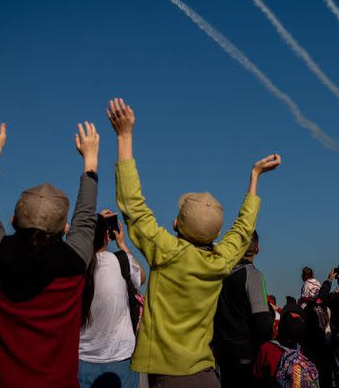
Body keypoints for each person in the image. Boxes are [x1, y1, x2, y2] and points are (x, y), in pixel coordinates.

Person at [108, 98, 281, 388]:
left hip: (168, 376)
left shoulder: (165, 252)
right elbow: (242, 230)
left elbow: (133, 206)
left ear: (176, 224)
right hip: (207, 374)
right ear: (215, 235)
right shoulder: (221, 261)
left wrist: (124, 137)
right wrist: (255, 177)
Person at [0, 115, 100, 387]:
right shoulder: (75, 259)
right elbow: (86, 216)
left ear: (14, 221)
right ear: (64, 227)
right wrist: (90, 160)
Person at [79, 210, 146, 387]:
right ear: (107, 236)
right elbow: (142, 277)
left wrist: (93, 222)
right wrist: (122, 244)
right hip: (120, 356)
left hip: (82, 357)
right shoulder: (118, 260)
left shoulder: (77, 265)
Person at [213, 231, 274, 388]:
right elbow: (262, 322)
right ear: (257, 249)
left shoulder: (220, 275)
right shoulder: (253, 275)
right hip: (246, 355)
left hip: (223, 351)